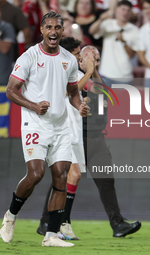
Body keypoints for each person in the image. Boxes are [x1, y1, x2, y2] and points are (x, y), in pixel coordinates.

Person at [0, 11, 88, 247]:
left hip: (60, 126)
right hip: (34, 123)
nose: (53, 32)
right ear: (42, 30)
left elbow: (72, 93)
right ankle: (10, 216)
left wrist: (80, 107)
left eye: (57, 28)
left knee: (60, 177)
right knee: (36, 174)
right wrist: (33, 105)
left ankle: (51, 236)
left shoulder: (68, 59)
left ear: (62, 30)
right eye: (49, 27)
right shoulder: (28, 57)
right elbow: (10, 90)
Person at [37, 40, 141, 239]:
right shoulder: (69, 75)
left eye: (98, 59)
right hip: (75, 135)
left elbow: (104, 94)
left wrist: (93, 72)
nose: (96, 62)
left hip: (96, 137)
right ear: (80, 60)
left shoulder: (97, 80)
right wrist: (89, 74)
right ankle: (47, 221)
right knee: (64, 178)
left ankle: (117, 224)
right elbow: (72, 92)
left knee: (106, 181)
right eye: (90, 59)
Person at [89, 0, 139, 85]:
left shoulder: (134, 30)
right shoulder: (108, 24)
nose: (125, 13)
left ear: (131, 13)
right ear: (117, 10)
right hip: (105, 73)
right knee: (102, 98)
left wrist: (123, 42)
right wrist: (101, 19)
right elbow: (92, 31)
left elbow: (132, 55)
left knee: (123, 99)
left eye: (128, 11)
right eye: (123, 9)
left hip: (124, 77)